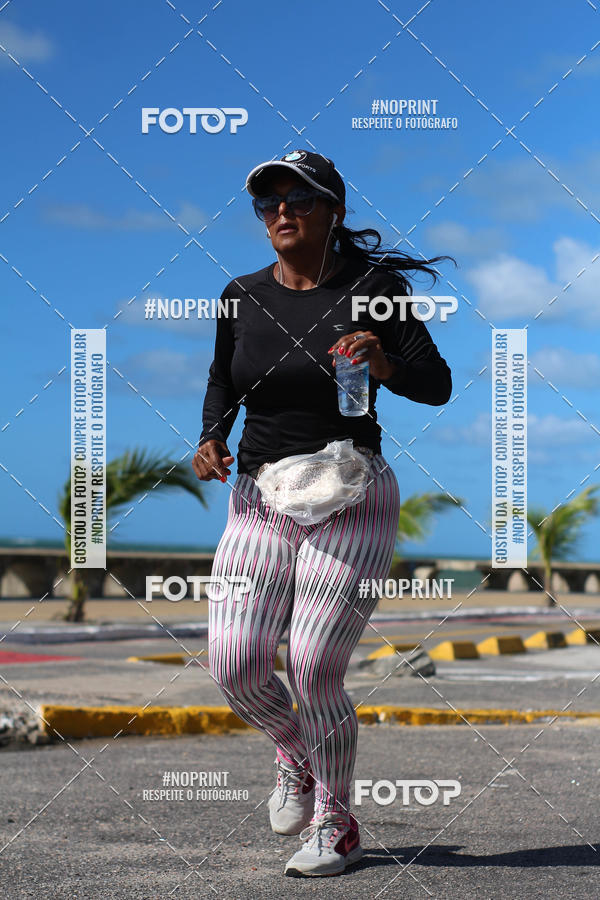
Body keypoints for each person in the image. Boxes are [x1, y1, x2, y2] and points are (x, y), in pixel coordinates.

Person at [192, 149, 453, 877]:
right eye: (267, 201)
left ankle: (337, 822)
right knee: (236, 664)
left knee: (312, 664)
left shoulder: (377, 290)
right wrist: (211, 435)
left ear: (333, 210)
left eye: (298, 199)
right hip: (258, 497)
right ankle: (295, 755)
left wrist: (386, 363)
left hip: (351, 494)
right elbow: (223, 378)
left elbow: (438, 385)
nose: (281, 211)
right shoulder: (240, 296)